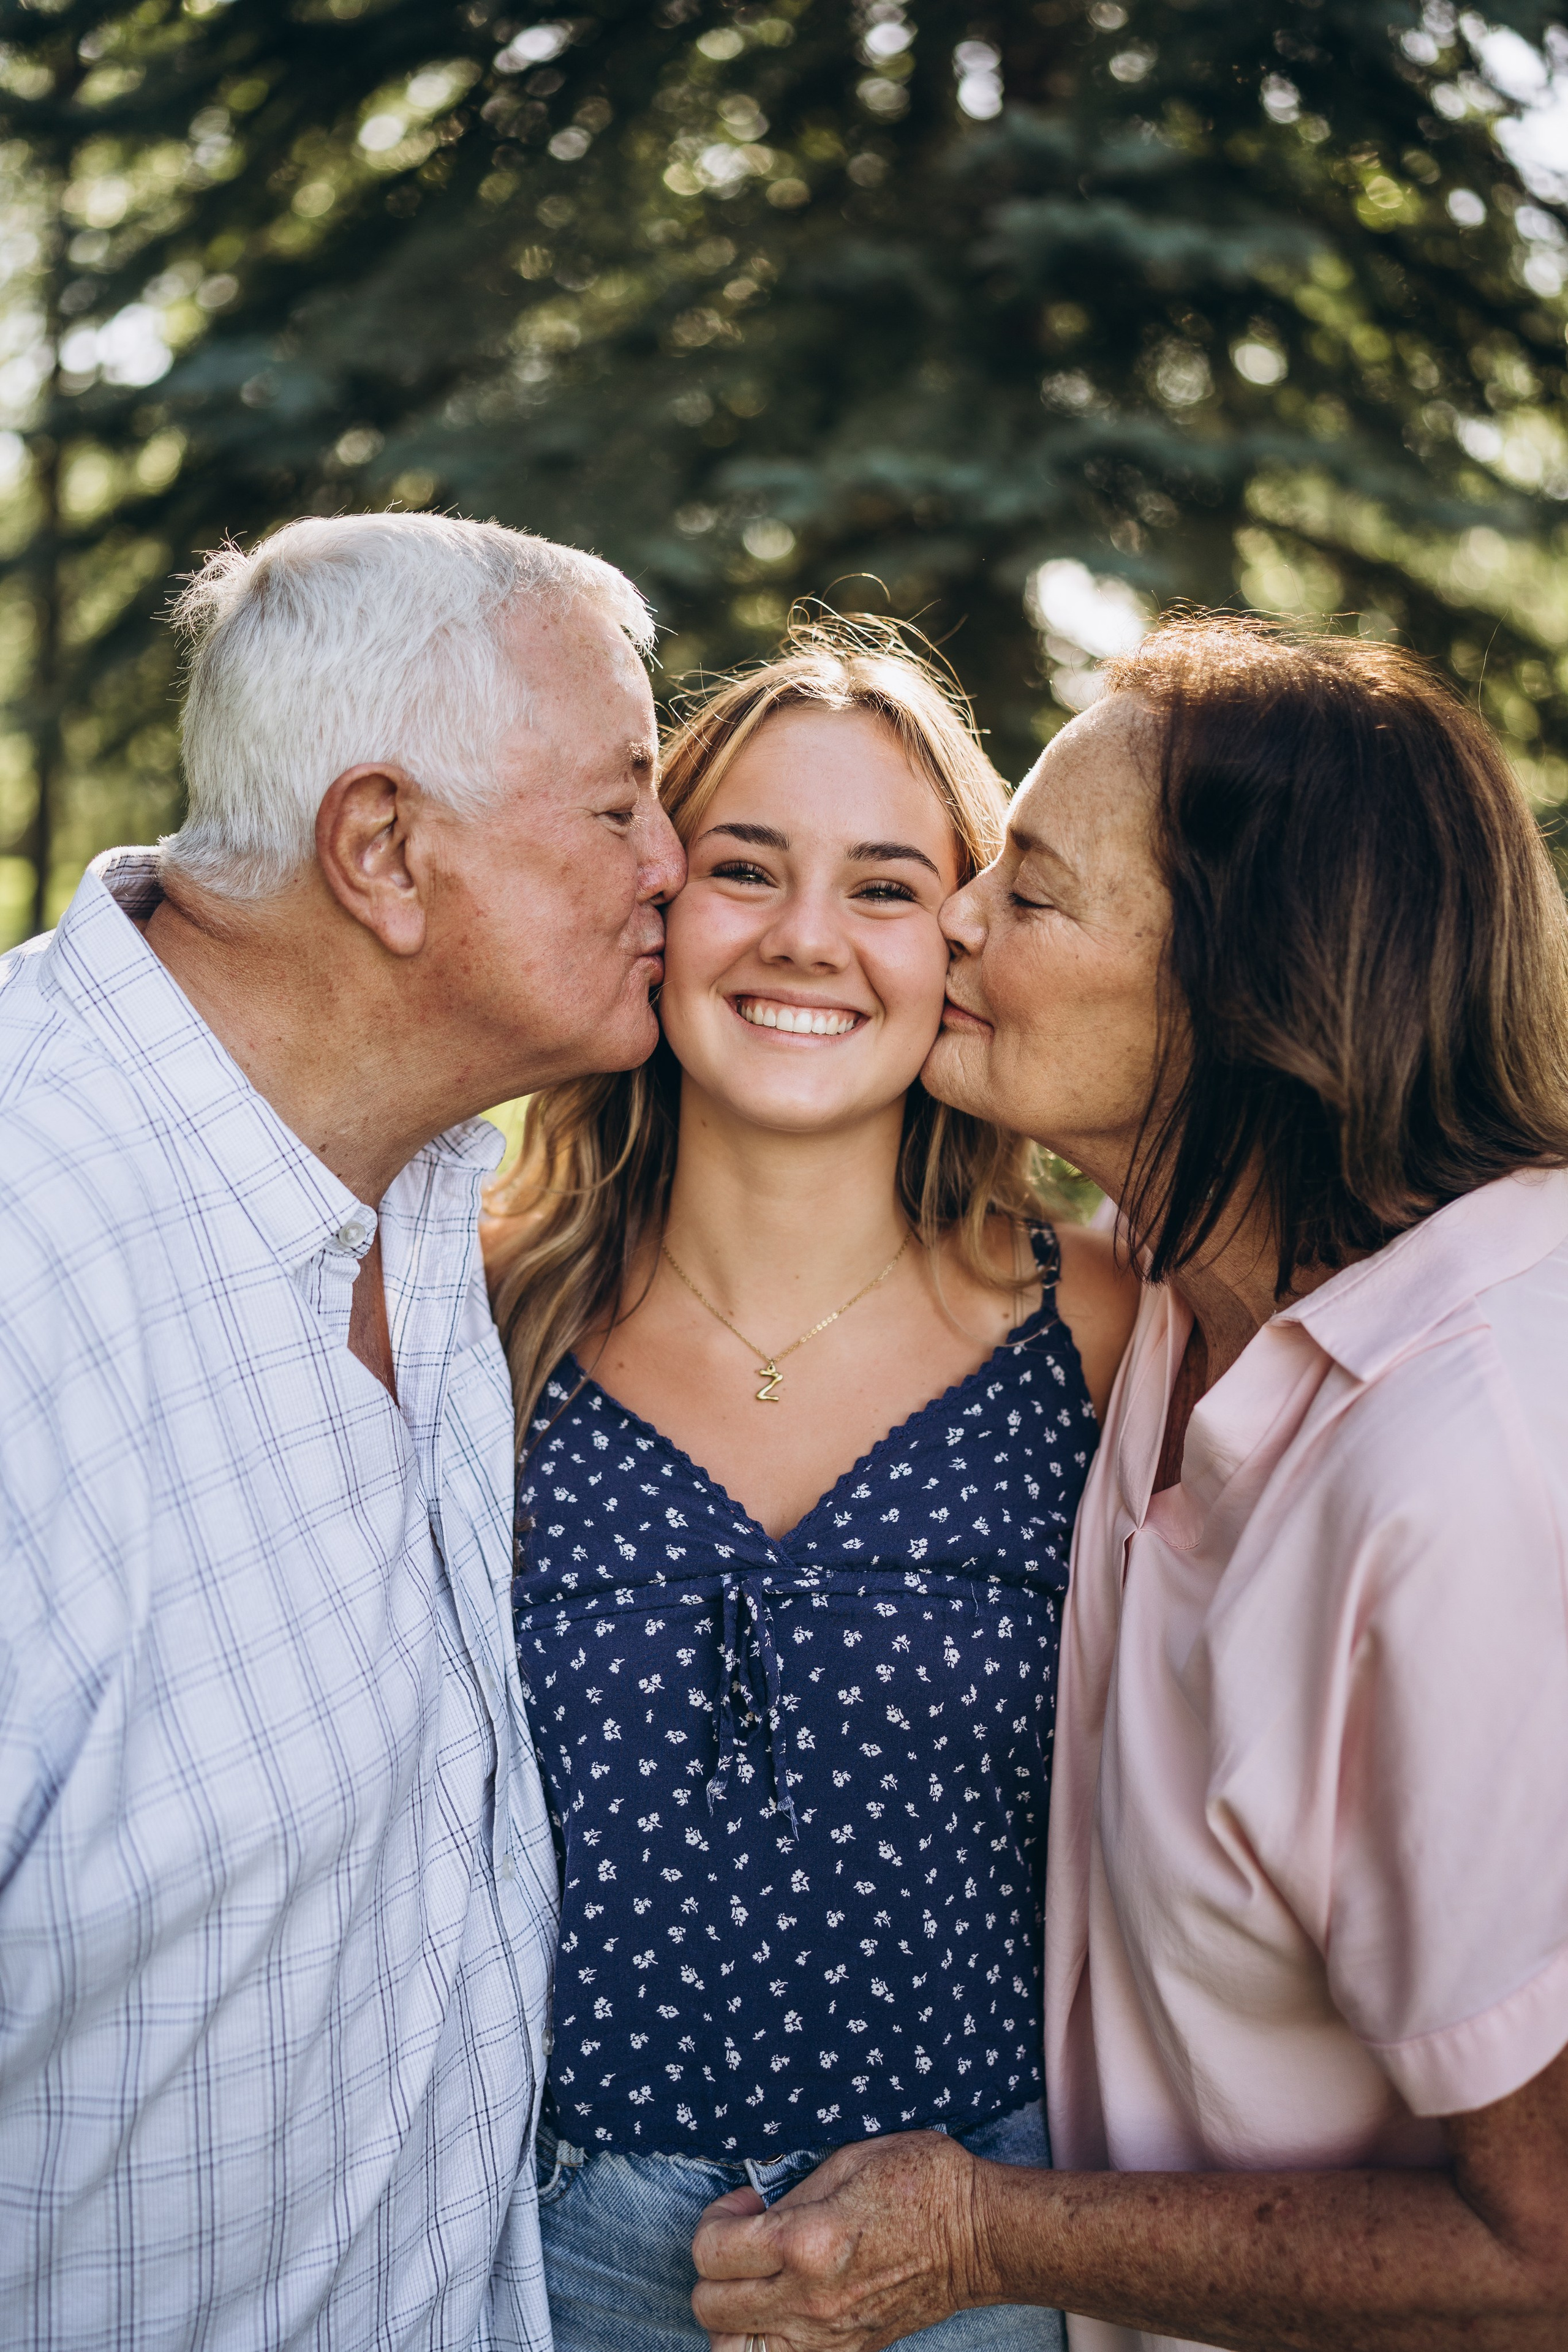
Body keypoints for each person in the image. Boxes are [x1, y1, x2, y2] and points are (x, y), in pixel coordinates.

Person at [690, 616, 1568, 2352]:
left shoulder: (1476, 1472)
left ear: (1242, 990)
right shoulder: (1173, 1302)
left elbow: (1545, 2256)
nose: (950, 922)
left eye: (1027, 894)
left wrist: (987, 2235)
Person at [0, 511, 684, 2350]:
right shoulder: (31, 1256)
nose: (674, 867)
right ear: (383, 849)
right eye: (620, 808)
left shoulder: (417, 1177)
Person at [481, 619, 1139, 2352]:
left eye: (886, 887)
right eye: (748, 869)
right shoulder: (488, 1323)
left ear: (965, 937)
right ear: (658, 901)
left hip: (984, 2251)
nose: (802, 941)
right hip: (547, 2250)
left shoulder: (1104, 1328)